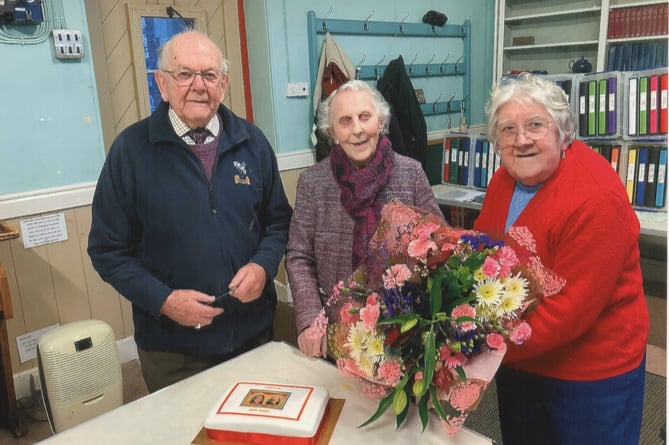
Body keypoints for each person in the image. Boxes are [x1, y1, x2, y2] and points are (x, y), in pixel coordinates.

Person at [87, 30, 292, 393]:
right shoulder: (130, 152)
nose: (199, 85)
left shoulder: (252, 142)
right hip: (174, 352)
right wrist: (163, 301)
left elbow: (278, 220)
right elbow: (107, 251)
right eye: (184, 74)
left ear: (224, 84)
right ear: (162, 84)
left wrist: (263, 266)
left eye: (210, 75)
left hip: (254, 335)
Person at [475, 72, 649, 445]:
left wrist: (477, 341)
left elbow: (569, 312)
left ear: (562, 130)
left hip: (588, 373)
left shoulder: (597, 197)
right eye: (507, 129)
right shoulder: (503, 180)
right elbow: (481, 251)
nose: (521, 140)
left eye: (535, 125)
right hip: (520, 357)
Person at [285, 80, 444, 358]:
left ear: (380, 122)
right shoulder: (313, 182)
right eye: (345, 121)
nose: (357, 129)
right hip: (338, 329)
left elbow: (440, 243)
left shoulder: (411, 174)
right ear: (332, 132)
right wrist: (311, 318)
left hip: (403, 329)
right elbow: (299, 257)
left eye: (364, 117)